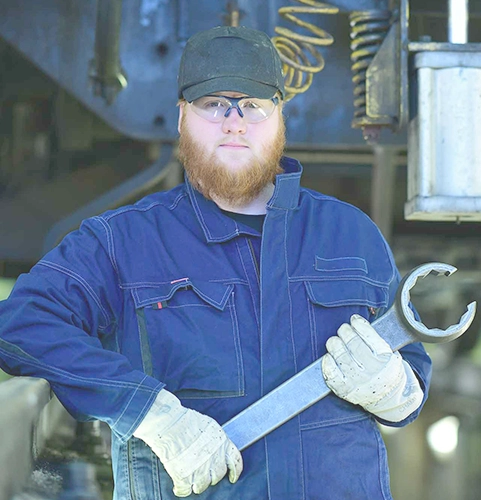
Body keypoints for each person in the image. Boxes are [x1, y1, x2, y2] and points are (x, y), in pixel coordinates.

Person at [0, 25, 432, 499]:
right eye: (213, 104)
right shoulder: (123, 242)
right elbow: (22, 322)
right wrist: (149, 413)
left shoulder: (353, 235)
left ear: (279, 118)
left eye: (253, 105)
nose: (234, 122)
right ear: (182, 117)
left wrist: (395, 389)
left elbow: (410, 382)